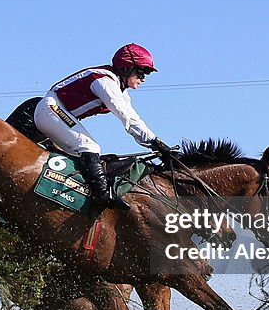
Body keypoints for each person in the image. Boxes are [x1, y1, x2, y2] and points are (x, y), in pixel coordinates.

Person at [33, 43, 172, 210]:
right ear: (126, 67)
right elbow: (127, 119)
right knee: (90, 147)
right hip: (51, 109)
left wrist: (155, 144)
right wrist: (155, 142)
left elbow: (134, 119)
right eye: (143, 71)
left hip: (57, 113)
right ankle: (102, 197)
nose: (144, 78)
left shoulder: (120, 90)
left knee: (79, 160)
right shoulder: (105, 81)